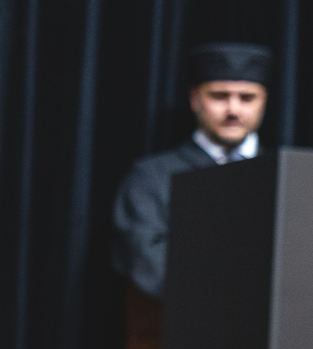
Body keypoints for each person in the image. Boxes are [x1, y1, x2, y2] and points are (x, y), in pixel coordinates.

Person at [111, 43, 270, 299]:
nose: (233, 110)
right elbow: (148, 262)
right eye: (219, 96)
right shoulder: (151, 177)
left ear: (264, 101)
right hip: (183, 319)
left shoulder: (283, 177)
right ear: (195, 98)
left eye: (247, 98)